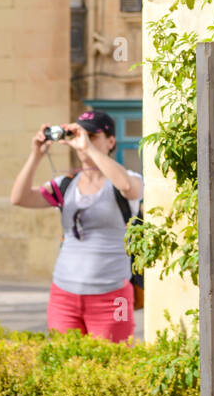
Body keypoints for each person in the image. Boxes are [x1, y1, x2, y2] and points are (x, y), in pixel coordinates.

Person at [10, 110, 143, 342]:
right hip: (64, 295)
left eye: (93, 136)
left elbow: (128, 187)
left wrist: (88, 148)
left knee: (114, 363)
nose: (84, 141)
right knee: (66, 363)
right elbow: (19, 198)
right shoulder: (65, 184)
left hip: (113, 296)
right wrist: (36, 156)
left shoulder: (126, 178)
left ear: (111, 141)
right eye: (81, 135)